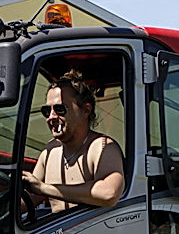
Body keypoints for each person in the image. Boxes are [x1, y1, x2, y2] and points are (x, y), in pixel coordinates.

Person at [21, 70, 124, 213]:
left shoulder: (102, 147)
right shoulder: (50, 151)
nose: (51, 117)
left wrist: (45, 188)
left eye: (59, 109)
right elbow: (27, 200)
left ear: (86, 110)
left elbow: (109, 194)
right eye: (46, 111)